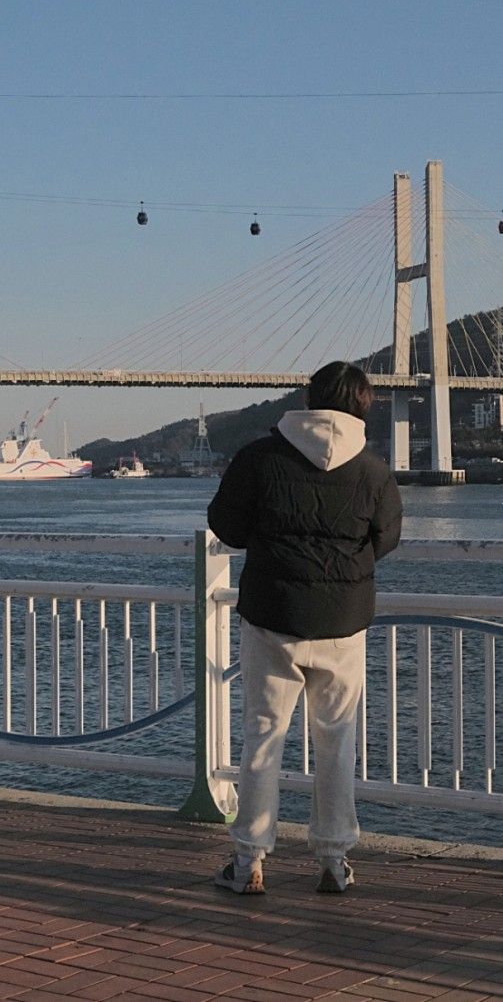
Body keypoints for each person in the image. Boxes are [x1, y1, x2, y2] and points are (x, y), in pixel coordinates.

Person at [207, 361, 402, 895]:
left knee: (264, 736)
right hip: (343, 622)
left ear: (308, 399)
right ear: (362, 406)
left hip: (273, 617)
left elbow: (225, 525)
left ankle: (248, 860)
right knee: (336, 740)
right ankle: (335, 862)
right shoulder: (373, 470)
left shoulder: (259, 458)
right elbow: (385, 538)